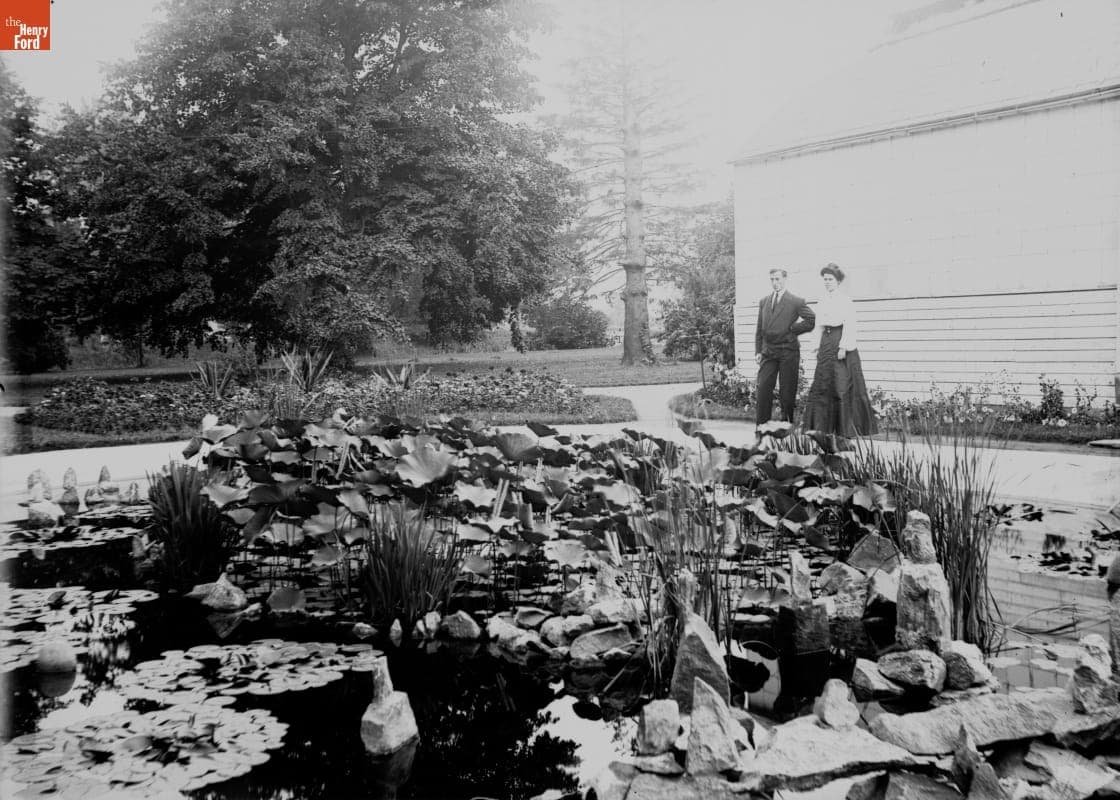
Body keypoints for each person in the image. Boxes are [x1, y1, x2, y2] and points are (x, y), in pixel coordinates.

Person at [803, 263, 878, 436]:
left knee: (841, 385)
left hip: (840, 341)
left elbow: (850, 323)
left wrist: (844, 346)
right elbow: (818, 326)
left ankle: (846, 428)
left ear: (838, 281)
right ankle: (822, 427)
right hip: (826, 342)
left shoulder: (845, 300)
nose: (827, 282)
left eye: (830, 279)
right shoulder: (822, 300)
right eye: (825, 279)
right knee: (823, 384)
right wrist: (815, 346)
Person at [754, 268, 816, 424]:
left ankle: (786, 426)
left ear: (785, 279)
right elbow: (759, 329)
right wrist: (758, 351)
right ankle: (762, 426)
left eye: (778, 279)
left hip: (788, 351)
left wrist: (793, 330)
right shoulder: (764, 301)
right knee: (762, 388)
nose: (775, 283)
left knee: (787, 392)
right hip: (768, 351)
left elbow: (811, 320)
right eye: (772, 279)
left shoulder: (795, 301)